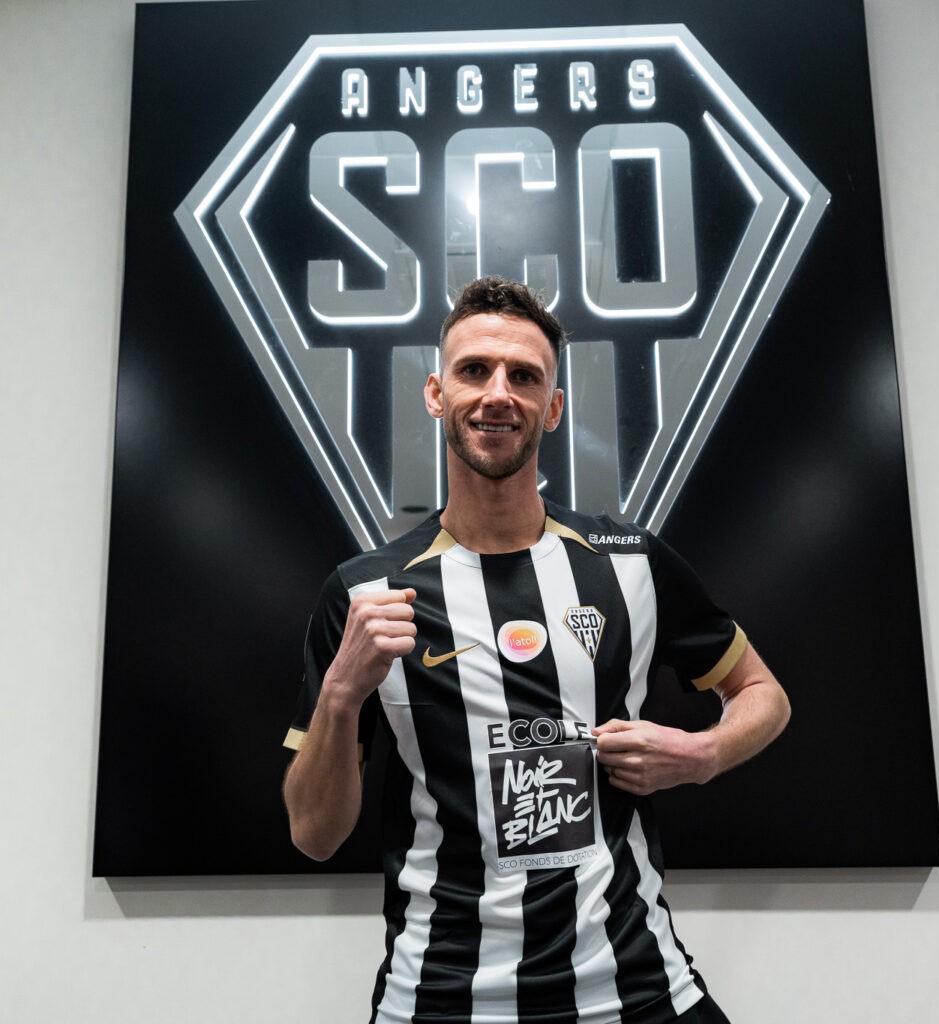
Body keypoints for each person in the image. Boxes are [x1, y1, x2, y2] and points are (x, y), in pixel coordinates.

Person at [282, 276, 791, 1024]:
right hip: (442, 997)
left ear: (551, 407)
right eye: (474, 370)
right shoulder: (366, 594)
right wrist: (340, 694)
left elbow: (763, 694)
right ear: (436, 394)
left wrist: (701, 754)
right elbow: (313, 835)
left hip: (636, 988)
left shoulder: (629, 562)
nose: (498, 394)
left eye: (524, 376)